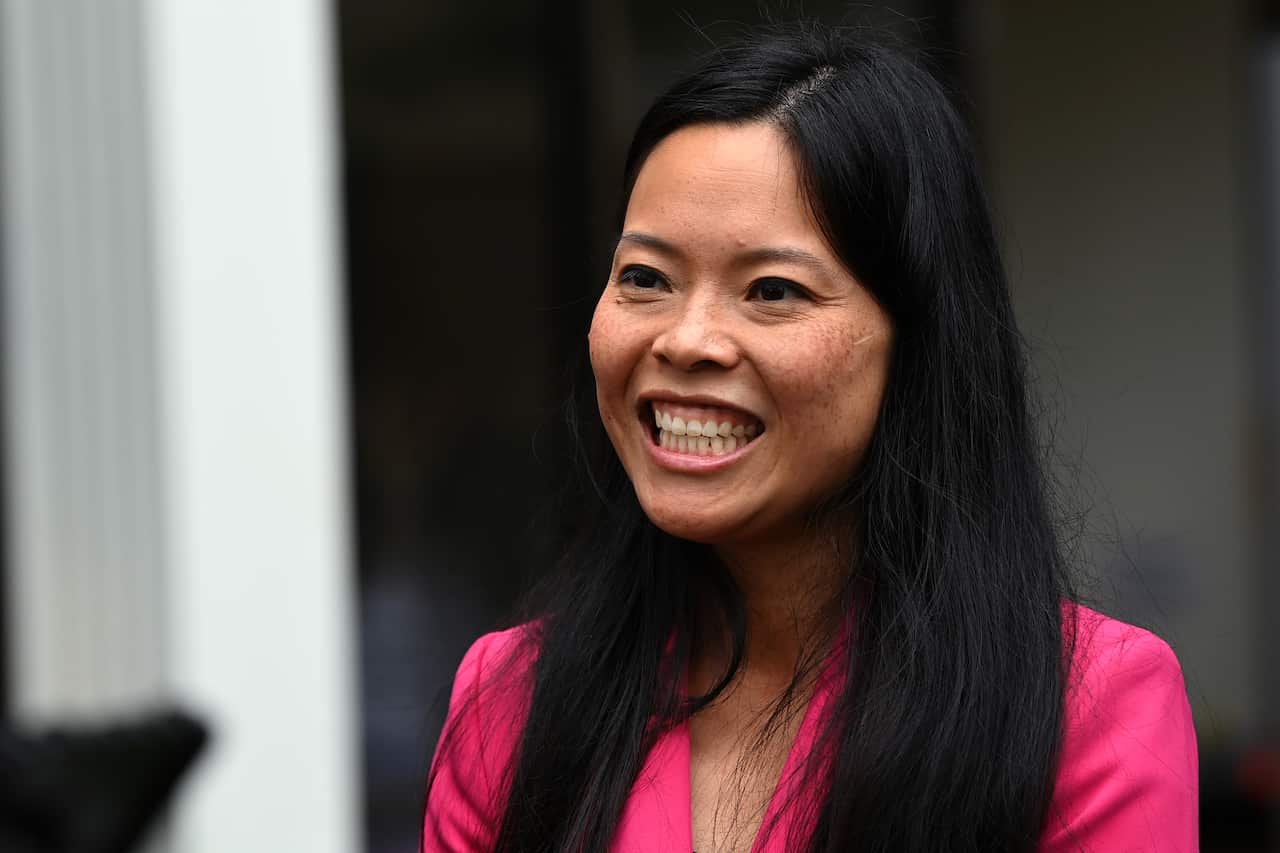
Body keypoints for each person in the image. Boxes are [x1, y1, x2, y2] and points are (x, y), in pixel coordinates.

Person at [422, 21, 1198, 853]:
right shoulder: (512, 702)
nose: (686, 340)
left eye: (772, 290)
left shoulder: (1088, 708)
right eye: (645, 277)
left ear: (918, 341)